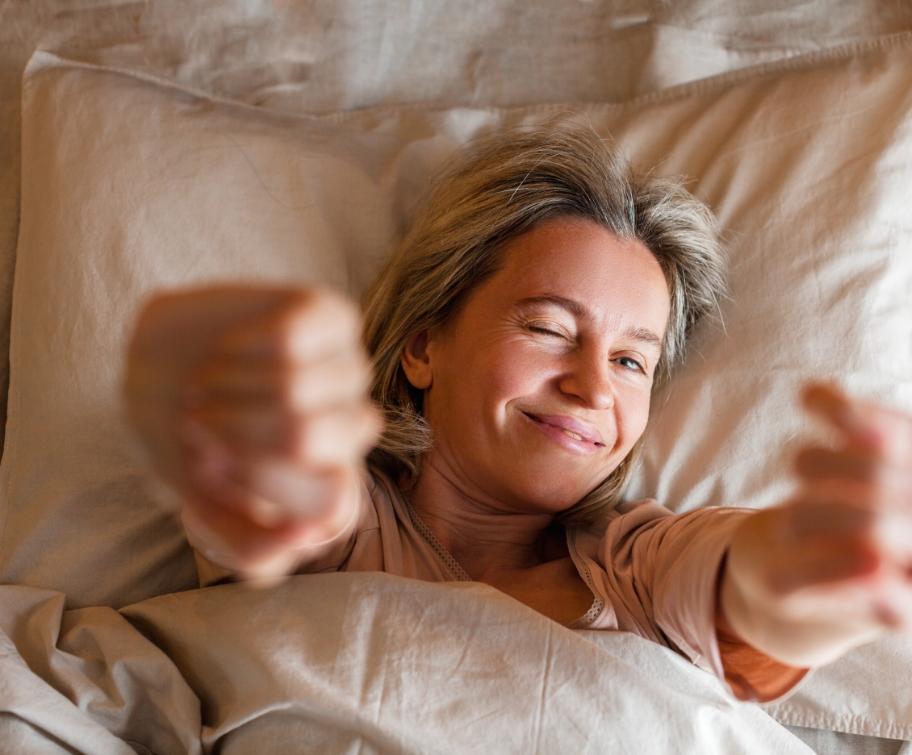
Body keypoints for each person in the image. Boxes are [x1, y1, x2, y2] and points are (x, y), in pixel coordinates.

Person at [123, 122, 912, 704]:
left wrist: (825, 563)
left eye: (631, 360)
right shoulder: (354, 528)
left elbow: (745, 590)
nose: (593, 386)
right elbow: (294, 491)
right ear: (424, 346)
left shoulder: (632, 567)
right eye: (548, 328)